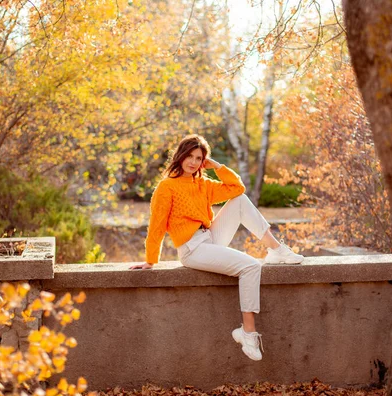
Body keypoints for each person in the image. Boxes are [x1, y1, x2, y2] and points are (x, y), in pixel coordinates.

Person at [130, 134, 304, 361]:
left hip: (209, 238)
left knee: (240, 200)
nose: (193, 162)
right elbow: (156, 227)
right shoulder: (167, 187)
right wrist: (151, 260)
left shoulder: (203, 184)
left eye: (198, 158)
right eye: (189, 156)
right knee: (251, 266)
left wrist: (217, 166)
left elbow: (237, 188)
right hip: (192, 249)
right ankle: (248, 332)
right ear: (180, 156)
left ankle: (276, 250)